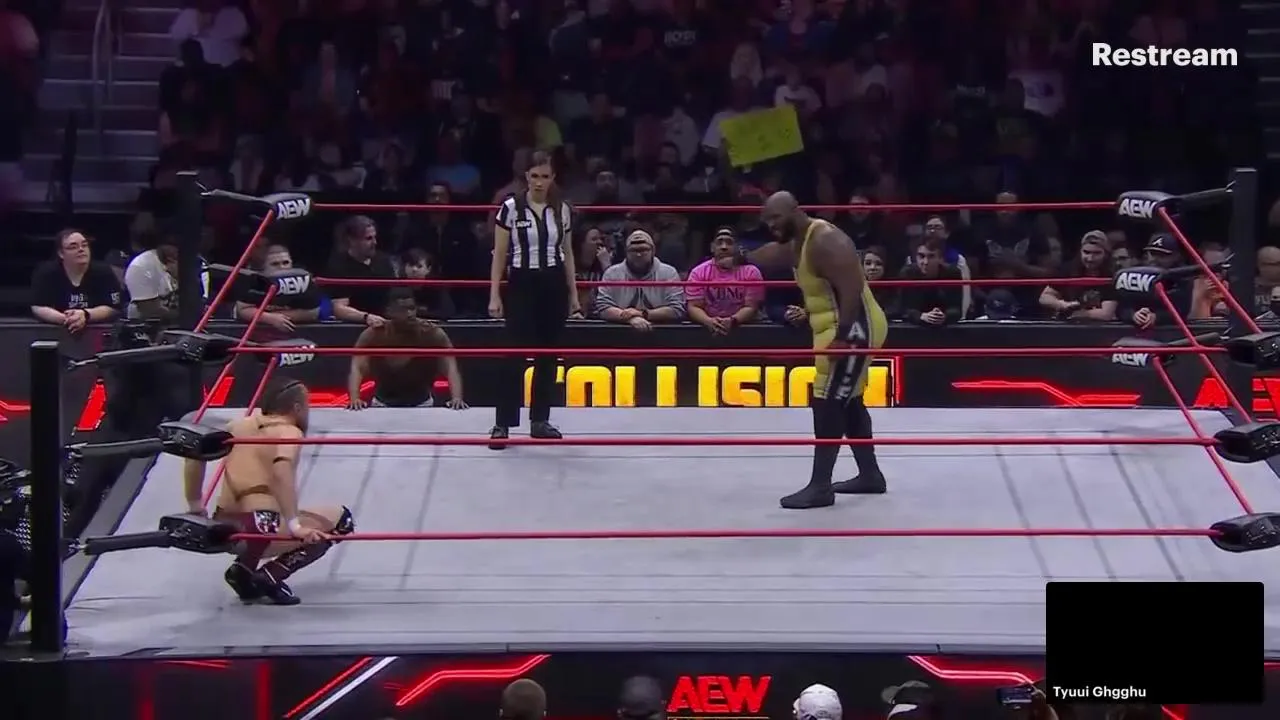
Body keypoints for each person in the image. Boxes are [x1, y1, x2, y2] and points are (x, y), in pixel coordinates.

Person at [750, 191, 889, 509]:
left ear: (795, 211)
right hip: (836, 328)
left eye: (776, 218)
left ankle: (821, 486)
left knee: (827, 401)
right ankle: (870, 475)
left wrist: (843, 337)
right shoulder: (799, 241)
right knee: (848, 399)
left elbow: (852, 286)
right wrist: (741, 257)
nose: (771, 226)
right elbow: (774, 254)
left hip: (853, 328)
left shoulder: (826, 239)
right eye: (767, 221)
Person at [187, 377, 354, 605]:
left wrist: (195, 504)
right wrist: (295, 526)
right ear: (297, 408)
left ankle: (243, 571)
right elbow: (281, 471)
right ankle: (269, 576)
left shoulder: (237, 426)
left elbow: (195, 449)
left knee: (285, 518)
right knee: (341, 520)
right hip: (260, 528)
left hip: (223, 524)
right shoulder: (289, 432)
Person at [488, 150, 582, 448]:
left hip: (553, 283)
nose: (539, 182)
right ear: (526, 177)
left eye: (545, 176)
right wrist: (494, 294)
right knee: (513, 355)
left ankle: (540, 420)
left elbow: (568, 254)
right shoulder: (510, 208)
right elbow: (499, 254)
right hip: (521, 283)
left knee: (549, 355)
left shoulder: (562, 209)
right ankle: (503, 423)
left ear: (553, 177)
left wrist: (574, 295)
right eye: (534, 176)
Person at [346, 288, 467, 410]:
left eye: (412, 308)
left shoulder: (430, 332)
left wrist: (456, 398)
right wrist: (355, 398)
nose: (410, 314)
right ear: (389, 311)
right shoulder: (375, 333)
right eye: (403, 310)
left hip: (422, 403)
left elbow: (450, 367)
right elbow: (357, 367)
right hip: (382, 402)